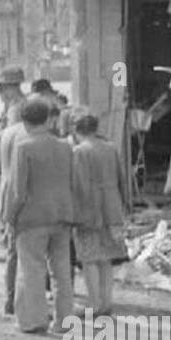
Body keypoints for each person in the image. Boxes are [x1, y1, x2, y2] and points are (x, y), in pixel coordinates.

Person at [4, 97, 76, 334]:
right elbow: (73, 182)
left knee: (32, 269)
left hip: (32, 219)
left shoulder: (23, 148)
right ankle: (64, 321)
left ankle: (33, 320)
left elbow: (18, 190)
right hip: (62, 216)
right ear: (48, 119)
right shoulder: (66, 146)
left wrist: (10, 218)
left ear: (24, 122)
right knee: (62, 272)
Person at [71, 111, 130, 317]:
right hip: (112, 208)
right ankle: (106, 303)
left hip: (90, 210)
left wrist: (74, 212)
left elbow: (79, 185)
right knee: (107, 258)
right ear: (96, 129)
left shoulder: (79, 151)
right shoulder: (111, 148)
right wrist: (123, 205)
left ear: (77, 131)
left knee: (89, 259)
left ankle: (94, 304)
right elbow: (122, 179)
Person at [0, 65, 27, 315]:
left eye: (2, 87)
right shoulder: (15, 107)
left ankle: (13, 299)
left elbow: (4, 157)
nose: (0, 92)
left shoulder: (15, 112)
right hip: (13, 184)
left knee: (17, 249)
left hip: (14, 188)